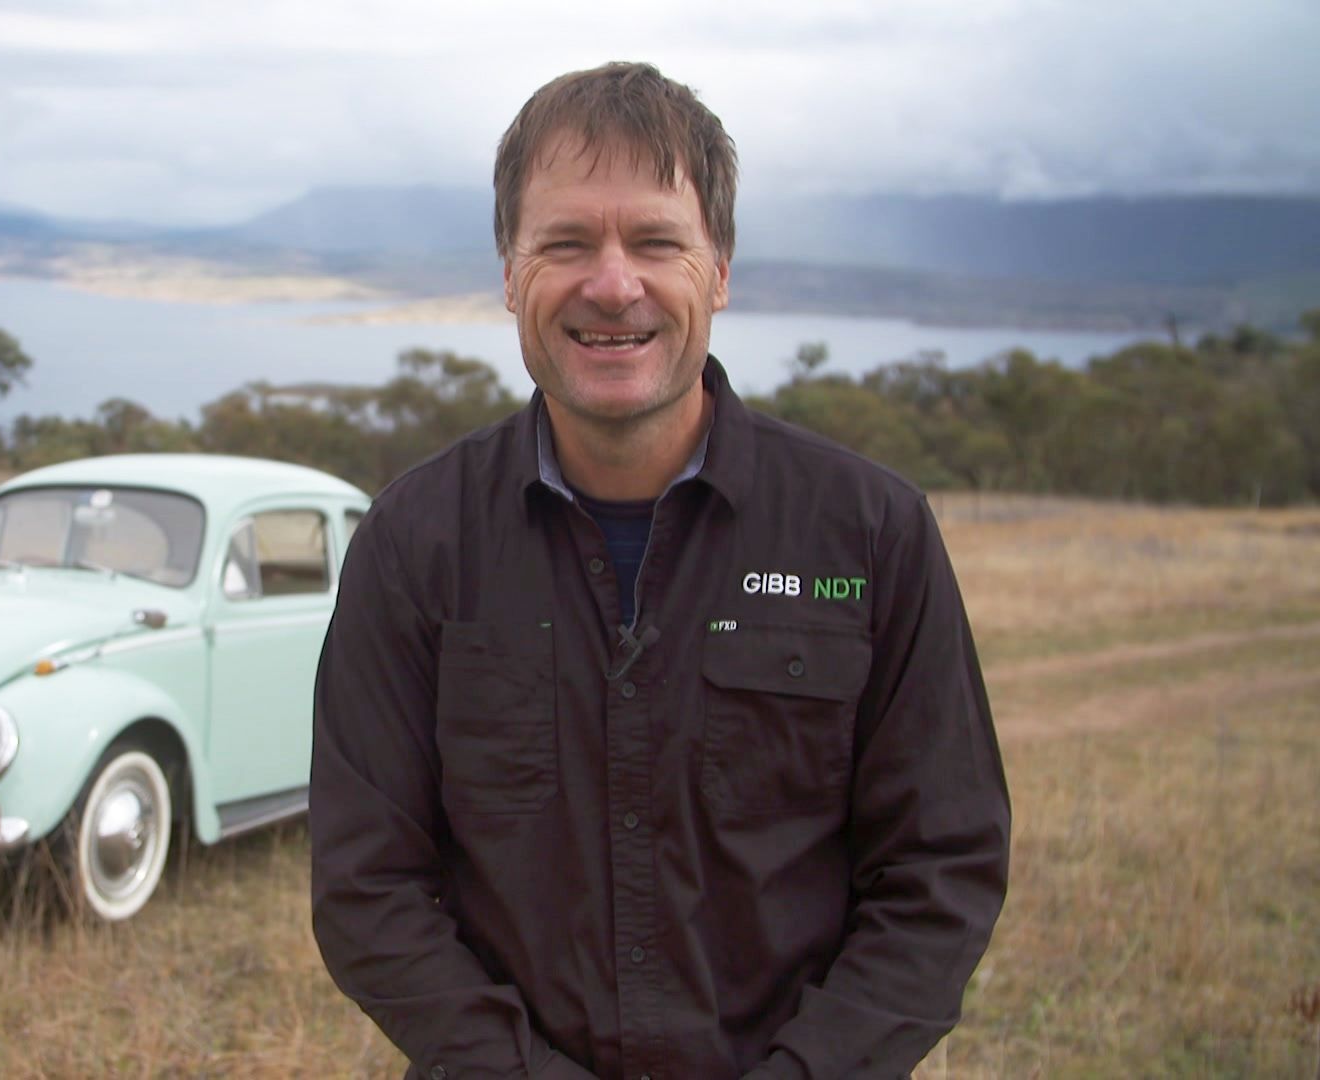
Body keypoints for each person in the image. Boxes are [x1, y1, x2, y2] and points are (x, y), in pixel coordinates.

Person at [310, 61, 1010, 1080]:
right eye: (565, 243)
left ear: (718, 269)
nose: (612, 282)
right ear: (510, 273)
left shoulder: (871, 535)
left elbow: (940, 872)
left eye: (655, 240)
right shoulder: (414, 544)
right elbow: (367, 886)